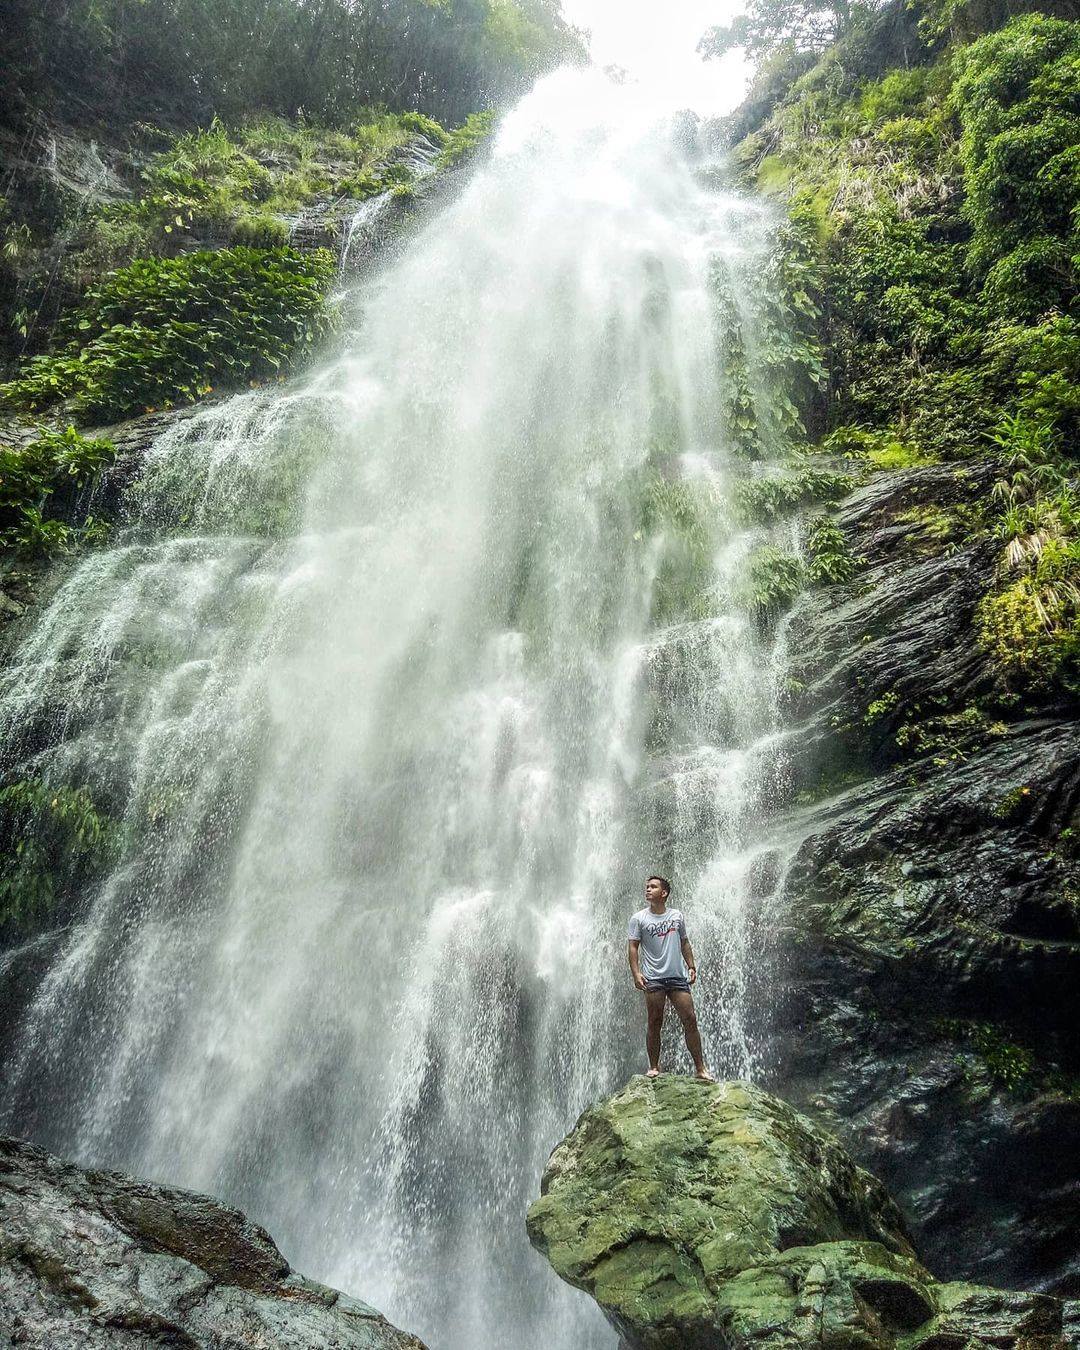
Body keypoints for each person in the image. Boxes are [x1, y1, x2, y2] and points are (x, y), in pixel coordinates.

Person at [627, 875, 713, 1081]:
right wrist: (636, 973)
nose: (648, 889)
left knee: (690, 1019)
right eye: (647, 886)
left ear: (663, 893)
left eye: (653, 887)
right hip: (653, 977)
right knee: (654, 1021)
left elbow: (684, 942)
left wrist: (691, 965)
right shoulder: (638, 918)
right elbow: (632, 947)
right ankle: (654, 1067)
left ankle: (700, 1069)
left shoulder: (676, 916)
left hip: (677, 976)